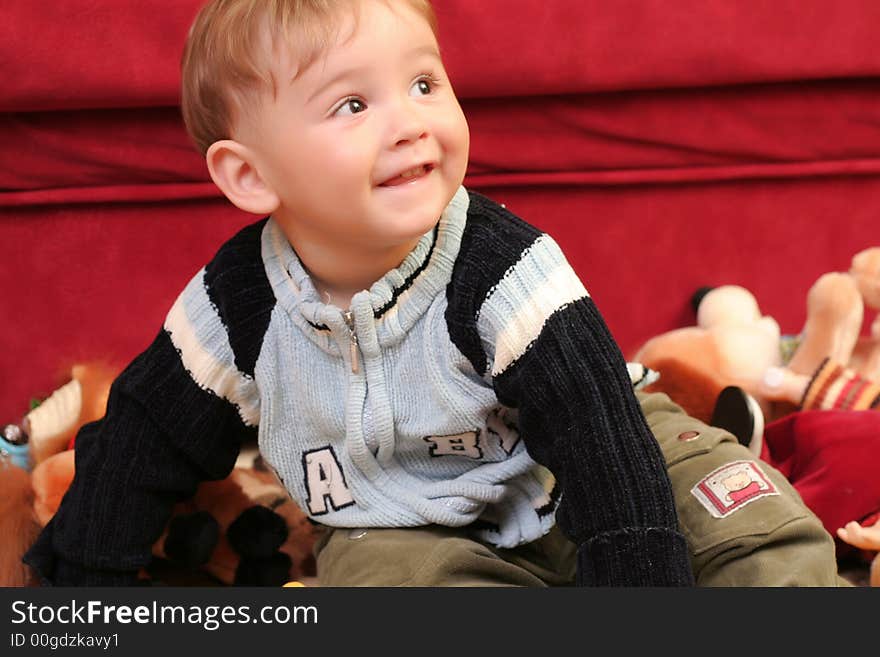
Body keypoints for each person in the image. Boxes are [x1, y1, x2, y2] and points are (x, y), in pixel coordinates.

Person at [23, 0, 838, 587]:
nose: (412, 122)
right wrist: (82, 583)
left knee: (747, 527)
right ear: (250, 174)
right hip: (397, 518)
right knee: (385, 590)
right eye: (353, 103)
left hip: (593, 463)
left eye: (424, 83)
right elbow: (142, 436)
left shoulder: (501, 265)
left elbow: (598, 432)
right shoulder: (238, 306)